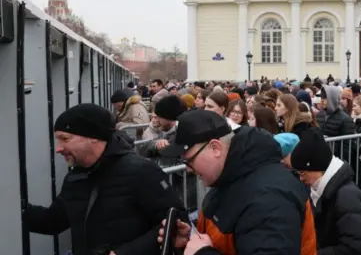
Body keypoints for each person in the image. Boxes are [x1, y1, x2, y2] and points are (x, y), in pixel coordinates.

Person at [25, 103, 185, 255]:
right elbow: (53, 221)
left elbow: (176, 222)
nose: (59, 148)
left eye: (65, 139)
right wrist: (12, 211)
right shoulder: (76, 178)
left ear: (93, 137)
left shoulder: (141, 171)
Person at [158, 110, 317, 255]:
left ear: (215, 148)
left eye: (189, 160)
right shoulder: (230, 176)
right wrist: (190, 242)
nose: (188, 169)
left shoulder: (270, 197)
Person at [291, 127, 361, 255]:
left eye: (303, 173)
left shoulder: (346, 197)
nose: (301, 178)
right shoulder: (321, 190)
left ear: (319, 167)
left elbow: (354, 247)